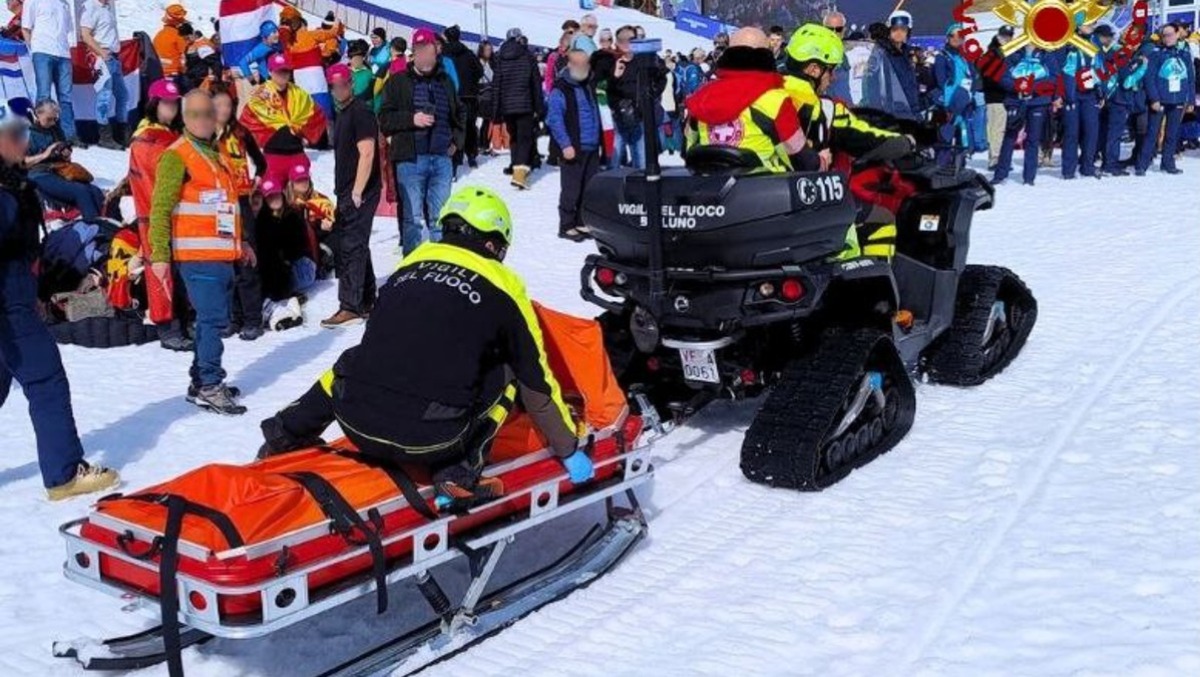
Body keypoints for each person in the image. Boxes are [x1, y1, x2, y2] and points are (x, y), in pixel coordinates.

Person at [258, 187, 592, 511]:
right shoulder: (504, 284)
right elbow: (536, 380)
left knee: (353, 363)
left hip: (356, 421)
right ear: (492, 242)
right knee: (507, 373)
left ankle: (283, 433)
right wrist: (567, 447)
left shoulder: (410, 264)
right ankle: (457, 474)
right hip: (431, 441)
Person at [0, 100, 120, 500]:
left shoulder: (13, 181)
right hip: (7, 303)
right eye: (12, 136)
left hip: (16, 294)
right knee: (45, 378)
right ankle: (65, 473)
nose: (21, 142)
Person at [149, 90, 255, 415]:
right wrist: (159, 257)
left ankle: (200, 381)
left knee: (212, 319)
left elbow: (226, 206)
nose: (203, 120)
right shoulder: (177, 155)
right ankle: (210, 384)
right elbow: (160, 208)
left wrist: (244, 243)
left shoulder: (214, 153)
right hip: (197, 257)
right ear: (185, 117)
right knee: (213, 320)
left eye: (208, 113)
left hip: (221, 254)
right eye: (195, 114)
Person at [784, 24, 911, 259]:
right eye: (830, 70)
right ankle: (875, 290)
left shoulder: (766, 97)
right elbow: (868, 138)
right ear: (813, 69)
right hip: (809, 206)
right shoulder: (825, 108)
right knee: (881, 218)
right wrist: (907, 142)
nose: (832, 78)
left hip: (766, 206)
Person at [378, 27, 464, 256]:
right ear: (413, 53)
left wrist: (456, 141)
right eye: (420, 51)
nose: (425, 56)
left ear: (436, 52)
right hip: (410, 159)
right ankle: (413, 267)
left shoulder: (445, 81)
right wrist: (411, 119)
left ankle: (438, 265)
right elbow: (384, 118)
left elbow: (460, 113)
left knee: (440, 217)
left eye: (429, 50)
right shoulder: (397, 82)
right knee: (412, 219)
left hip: (441, 159)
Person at [687, 27, 807, 173]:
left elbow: (688, 148)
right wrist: (822, 161)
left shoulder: (701, 97)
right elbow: (800, 158)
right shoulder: (776, 100)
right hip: (765, 189)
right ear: (765, 56)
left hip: (710, 187)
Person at [126, 79, 191, 351]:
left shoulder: (171, 135)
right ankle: (168, 327)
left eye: (175, 103)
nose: (172, 108)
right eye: (166, 103)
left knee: (180, 269)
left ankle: (185, 321)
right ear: (154, 103)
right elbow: (157, 184)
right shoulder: (147, 140)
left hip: (179, 212)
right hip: (156, 214)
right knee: (160, 270)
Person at [324, 63, 381, 328]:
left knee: (351, 247)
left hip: (360, 191)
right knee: (355, 244)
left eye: (343, 84)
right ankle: (367, 299)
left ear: (352, 84)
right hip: (347, 189)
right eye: (334, 85)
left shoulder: (360, 112)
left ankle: (350, 306)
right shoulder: (344, 113)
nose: (338, 89)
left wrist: (358, 191)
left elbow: (367, 152)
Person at [213, 84, 266, 341]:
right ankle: (233, 317)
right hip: (218, 204)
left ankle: (253, 319)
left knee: (247, 260)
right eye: (218, 105)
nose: (223, 109)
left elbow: (262, 163)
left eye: (227, 105)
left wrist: (256, 184)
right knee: (227, 262)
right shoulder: (205, 134)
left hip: (242, 201)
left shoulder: (241, 132)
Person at [239, 52, 327, 182]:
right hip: (273, 154)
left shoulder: (299, 93)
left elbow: (315, 114)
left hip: (297, 153)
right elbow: (249, 120)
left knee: (300, 194)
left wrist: (306, 134)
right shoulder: (261, 94)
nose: (283, 75)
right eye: (278, 71)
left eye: (285, 71)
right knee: (274, 196)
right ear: (270, 72)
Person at [547, 48, 602, 242]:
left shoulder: (589, 84)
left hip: (592, 145)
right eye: (578, 63)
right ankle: (566, 224)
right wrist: (565, 145)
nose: (583, 67)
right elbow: (554, 119)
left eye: (585, 63)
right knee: (571, 189)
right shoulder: (561, 88)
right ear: (569, 65)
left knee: (588, 188)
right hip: (573, 147)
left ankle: (581, 221)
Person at [24, 100, 106, 218]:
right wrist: (44, 155)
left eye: (55, 119)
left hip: (60, 169)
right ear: (38, 114)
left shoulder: (55, 128)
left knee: (95, 192)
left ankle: (107, 225)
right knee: (80, 191)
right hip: (40, 173)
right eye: (49, 119)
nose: (53, 122)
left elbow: (63, 145)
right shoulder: (26, 133)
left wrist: (65, 151)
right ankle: (94, 227)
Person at [993, 44, 1059, 186]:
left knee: (1033, 140)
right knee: (1009, 137)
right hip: (1015, 101)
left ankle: (1029, 178)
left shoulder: (1047, 55)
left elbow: (1053, 78)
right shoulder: (1013, 54)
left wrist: (1032, 87)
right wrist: (1017, 86)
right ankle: (1000, 175)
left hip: (1038, 102)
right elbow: (1003, 77)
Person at [605, 26, 666, 170]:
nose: (626, 43)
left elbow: (661, 78)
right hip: (618, 118)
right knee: (614, 161)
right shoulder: (611, 62)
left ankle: (641, 190)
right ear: (617, 43)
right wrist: (614, 77)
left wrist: (651, 95)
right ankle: (613, 191)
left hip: (640, 117)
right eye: (622, 40)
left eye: (630, 40)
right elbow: (602, 89)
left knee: (641, 162)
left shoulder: (645, 61)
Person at [1138, 23, 1195, 175]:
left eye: (1170, 34)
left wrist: (1190, 101)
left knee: (1172, 133)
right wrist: (1154, 99)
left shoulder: (1184, 54)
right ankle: (1142, 164)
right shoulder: (1157, 54)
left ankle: (1168, 163)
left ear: (1177, 34)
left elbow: (1190, 78)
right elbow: (1149, 78)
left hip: (1178, 100)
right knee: (1152, 133)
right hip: (1160, 100)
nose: (1167, 38)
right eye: (1164, 35)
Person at [21, 0, 79, 144]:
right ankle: (42, 134)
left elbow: (69, 30)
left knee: (65, 96)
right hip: (43, 51)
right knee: (44, 94)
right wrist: (34, 49)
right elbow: (25, 27)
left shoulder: (65, 4)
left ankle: (68, 134)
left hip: (63, 54)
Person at [493, 28, 543, 189]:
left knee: (514, 137)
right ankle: (520, 175)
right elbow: (535, 83)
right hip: (525, 104)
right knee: (525, 139)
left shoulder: (500, 57)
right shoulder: (527, 55)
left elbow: (497, 84)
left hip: (507, 105)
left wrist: (496, 109)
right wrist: (539, 107)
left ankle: (515, 165)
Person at [79, 0, 127, 150]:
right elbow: (85, 34)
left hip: (113, 56)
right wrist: (100, 52)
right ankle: (105, 136)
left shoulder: (106, 8)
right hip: (103, 57)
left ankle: (122, 131)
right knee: (104, 97)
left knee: (122, 95)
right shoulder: (90, 7)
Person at [1059, 24, 1105, 179]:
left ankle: (1087, 166)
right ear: (1078, 26)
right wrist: (1064, 95)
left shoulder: (1094, 41)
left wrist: (1101, 90)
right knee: (1072, 133)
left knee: (1091, 132)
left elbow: (1099, 66)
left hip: (1090, 93)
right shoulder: (1068, 42)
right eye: (1088, 23)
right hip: (1073, 94)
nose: (1091, 26)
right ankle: (1068, 170)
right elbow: (1063, 69)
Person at [862, 10, 923, 119]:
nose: (899, 33)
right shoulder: (880, 53)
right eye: (895, 29)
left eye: (903, 29)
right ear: (889, 30)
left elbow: (911, 85)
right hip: (891, 114)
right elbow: (871, 85)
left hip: (910, 112)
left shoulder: (907, 54)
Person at [933, 23, 977, 166]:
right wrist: (947, 107)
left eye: (961, 36)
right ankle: (940, 172)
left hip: (963, 106)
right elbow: (941, 82)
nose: (957, 38)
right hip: (949, 108)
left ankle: (959, 172)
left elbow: (973, 80)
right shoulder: (942, 57)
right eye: (953, 35)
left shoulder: (965, 60)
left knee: (962, 143)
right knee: (945, 143)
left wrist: (970, 97)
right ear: (948, 37)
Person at [443, 25, 484, 168]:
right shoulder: (469, 53)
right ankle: (471, 155)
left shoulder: (443, 53)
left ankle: (456, 156)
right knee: (470, 125)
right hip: (469, 95)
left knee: (454, 126)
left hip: (451, 95)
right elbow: (480, 71)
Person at [983, 26, 1014, 170]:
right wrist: (1007, 85)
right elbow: (990, 77)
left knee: (1003, 129)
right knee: (996, 128)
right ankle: (995, 158)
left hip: (1007, 96)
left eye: (1009, 36)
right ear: (998, 36)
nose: (1007, 39)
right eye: (1004, 36)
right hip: (995, 96)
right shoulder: (992, 53)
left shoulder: (1009, 53)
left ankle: (1001, 157)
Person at [152, 4, 191, 82]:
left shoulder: (158, 35)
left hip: (159, 72)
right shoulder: (178, 36)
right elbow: (185, 54)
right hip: (174, 73)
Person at [237, 21, 281, 85]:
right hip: (268, 83)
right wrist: (252, 81)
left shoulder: (275, 45)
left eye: (277, 31)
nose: (277, 34)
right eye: (273, 32)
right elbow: (243, 62)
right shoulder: (260, 49)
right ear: (265, 36)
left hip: (278, 80)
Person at [822, 11, 852, 101]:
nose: (834, 33)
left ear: (844, 30)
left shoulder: (844, 52)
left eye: (838, 29)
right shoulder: (817, 53)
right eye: (830, 29)